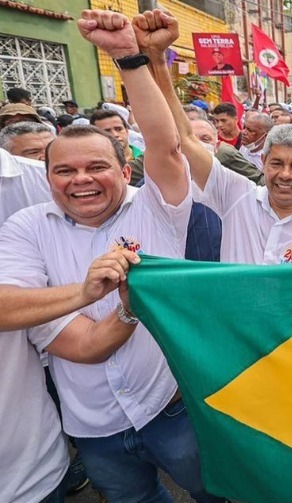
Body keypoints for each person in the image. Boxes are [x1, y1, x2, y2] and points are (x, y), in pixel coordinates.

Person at [0, 9, 224, 502]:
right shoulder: (25, 228)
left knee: (213, 494)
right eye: (64, 171)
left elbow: (167, 146)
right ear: (46, 178)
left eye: (96, 166)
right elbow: (38, 322)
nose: (80, 179)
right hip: (94, 424)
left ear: (126, 171)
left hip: (169, 407)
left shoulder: (157, 208)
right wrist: (87, 293)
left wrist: (128, 56)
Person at [143, 10, 292, 266]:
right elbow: (185, 139)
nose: (285, 175)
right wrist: (157, 60)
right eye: (277, 163)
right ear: (263, 162)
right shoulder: (236, 194)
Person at [89, 108, 144, 183]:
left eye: (118, 129)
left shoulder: (148, 160)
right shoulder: (91, 165)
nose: (115, 135)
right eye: (107, 131)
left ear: (127, 131)